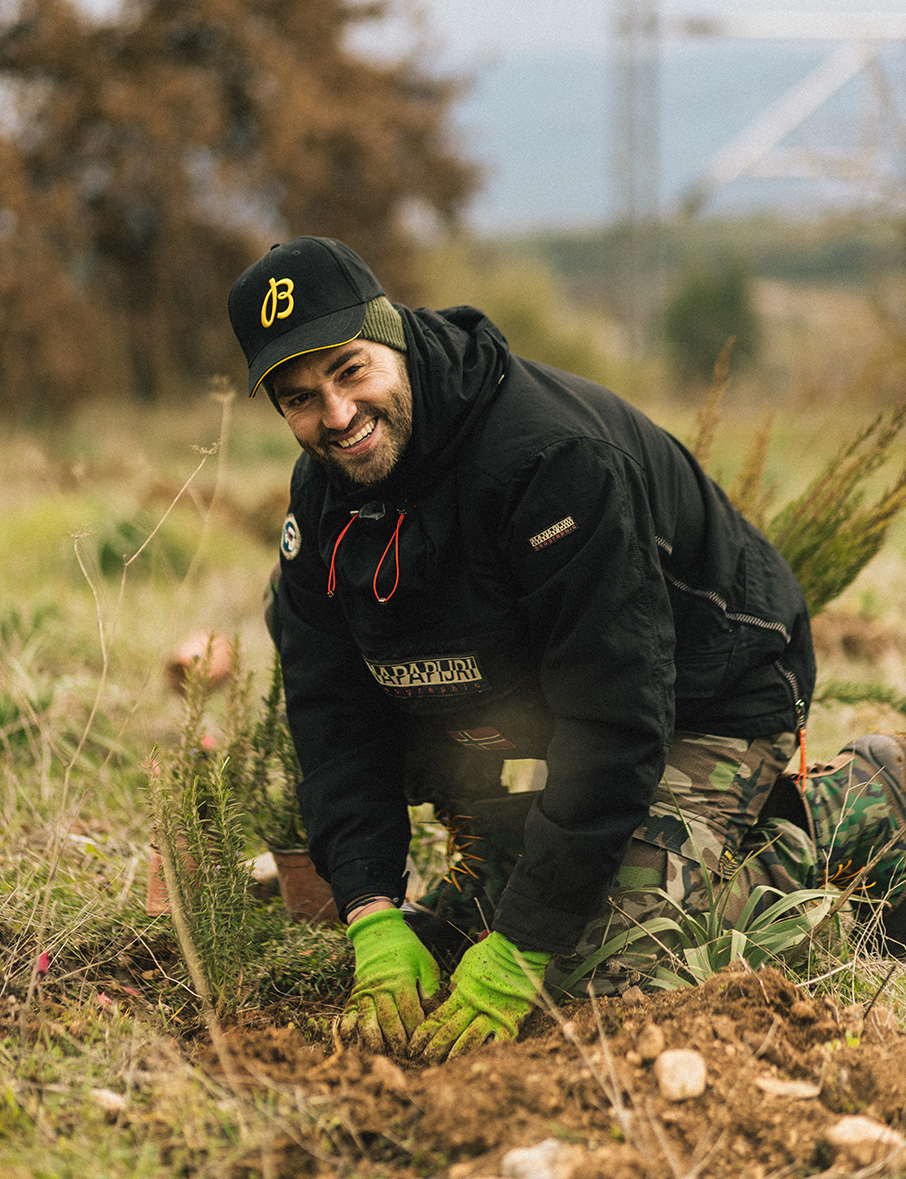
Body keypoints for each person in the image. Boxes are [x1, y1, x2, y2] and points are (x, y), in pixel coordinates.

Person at [228, 236, 906, 1062]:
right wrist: (368, 906)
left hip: (706, 691)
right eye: (300, 398)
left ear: (393, 334)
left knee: (602, 973)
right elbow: (334, 717)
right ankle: (519, 861)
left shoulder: (546, 461)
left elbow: (617, 714)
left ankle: (857, 809)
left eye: (350, 371)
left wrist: (525, 948)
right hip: (534, 709)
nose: (336, 417)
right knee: (460, 935)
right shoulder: (325, 499)